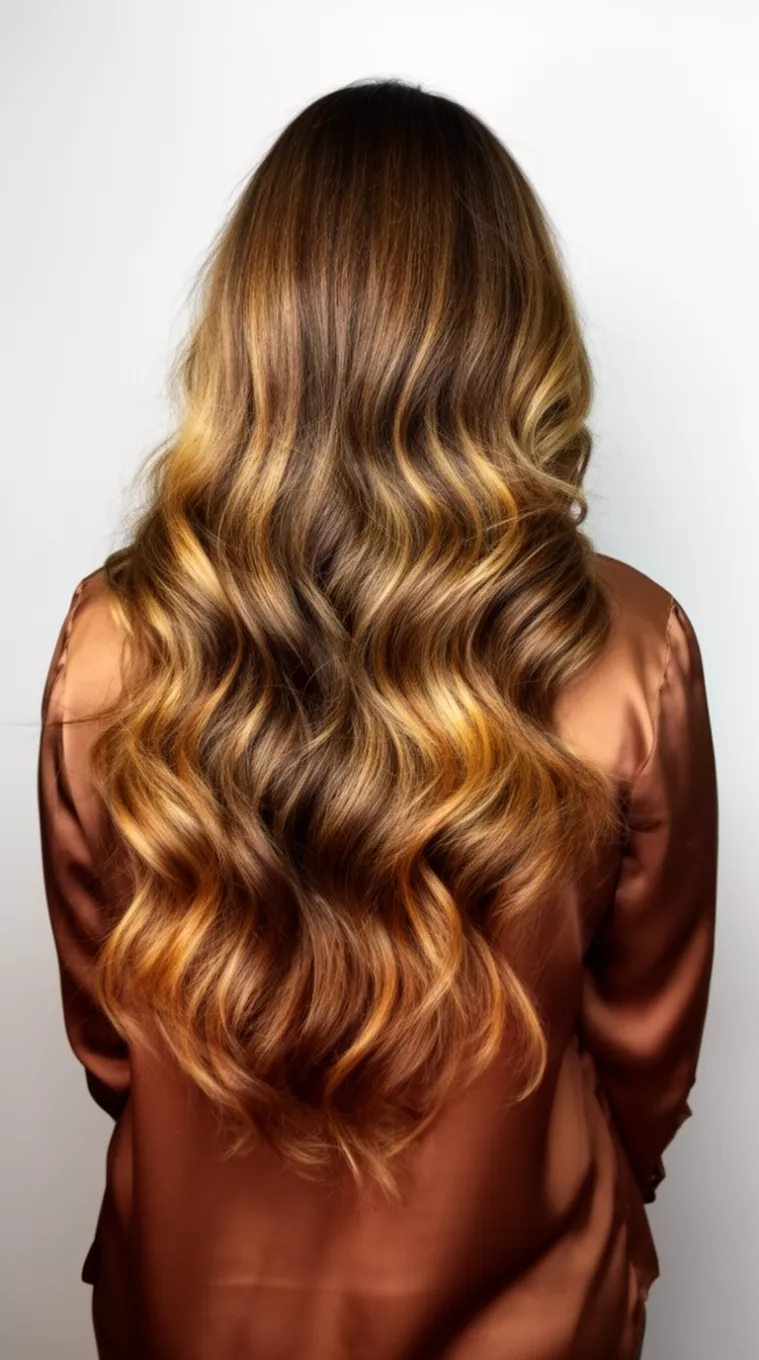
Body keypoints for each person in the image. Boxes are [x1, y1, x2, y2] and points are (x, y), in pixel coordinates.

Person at [37, 77, 718, 1360]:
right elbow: (646, 1064)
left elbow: (111, 1041)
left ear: (254, 332)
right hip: (529, 1314)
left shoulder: (112, 643)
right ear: (515, 333)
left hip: (192, 1310)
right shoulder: (631, 650)